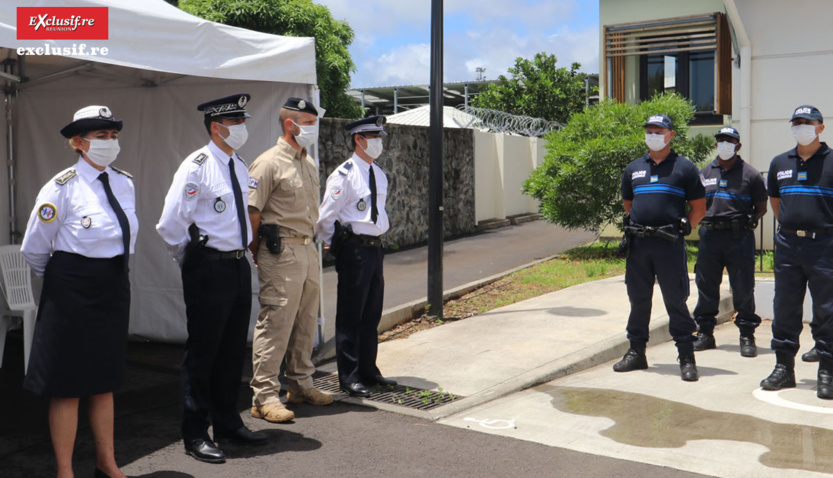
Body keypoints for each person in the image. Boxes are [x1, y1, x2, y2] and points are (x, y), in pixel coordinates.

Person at [21, 105, 136, 478]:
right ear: (78, 142)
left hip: (112, 285)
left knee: (105, 380)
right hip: (70, 288)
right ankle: (66, 471)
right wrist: (64, 282)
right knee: (67, 385)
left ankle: (107, 462)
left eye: (113, 136)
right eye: (101, 136)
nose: (109, 143)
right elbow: (35, 249)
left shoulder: (124, 182)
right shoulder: (62, 186)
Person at [157, 94, 267, 464]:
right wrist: (189, 259)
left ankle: (227, 423)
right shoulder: (197, 166)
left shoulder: (237, 164)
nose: (241, 129)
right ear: (216, 127)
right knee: (203, 353)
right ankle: (194, 432)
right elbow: (171, 224)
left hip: (236, 266)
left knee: (233, 350)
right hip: (208, 268)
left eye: (242, 122)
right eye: (235, 123)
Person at [248, 97, 333, 424]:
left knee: (305, 320)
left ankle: (299, 384)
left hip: (306, 248)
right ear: (290, 124)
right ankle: (264, 396)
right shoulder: (268, 163)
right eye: (309, 122)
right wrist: (258, 252)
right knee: (276, 322)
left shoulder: (307, 162)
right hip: (280, 249)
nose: (313, 128)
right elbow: (253, 213)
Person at [615, 114, 706, 382]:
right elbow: (629, 206)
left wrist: (683, 227)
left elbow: (699, 208)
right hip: (639, 245)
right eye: (649, 130)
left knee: (676, 301)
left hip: (668, 244)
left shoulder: (685, 168)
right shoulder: (633, 169)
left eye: (658, 130)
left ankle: (687, 357)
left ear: (670, 135)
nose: (652, 134)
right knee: (638, 300)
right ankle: (636, 352)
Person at [316, 116, 397, 397]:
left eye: (380, 138)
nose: (378, 143)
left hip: (375, 249)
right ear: (358, 140)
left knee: (371, 314)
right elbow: (325, 217)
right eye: (373, 138)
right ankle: (349, 376)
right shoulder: (344, 175)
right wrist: (338, 247)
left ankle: (368, 370)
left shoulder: (380, 174)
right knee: (350, 316)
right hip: (355, 250)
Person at [761, 105, 833, 400]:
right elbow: (777, 205)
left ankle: (827, 369)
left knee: (828, 308)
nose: (801, 127)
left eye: (807, 122)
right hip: (789, 245)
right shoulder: (780, 163)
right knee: (785, 307)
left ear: (820, 127)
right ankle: (784, 367)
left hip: (825, 245)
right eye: (797, 122)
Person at [692, 127, 767, 357]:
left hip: (738, 237)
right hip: (710, 237)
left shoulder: (751, 174)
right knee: (706, 286)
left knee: (743, 287)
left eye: (730, 140)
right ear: (716, 145)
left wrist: (748, 221)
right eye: (721, 140)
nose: (724, 144)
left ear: (738, 145)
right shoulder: (704, 173)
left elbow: (762, 207)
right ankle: (705, 333)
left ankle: (746, 335)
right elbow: (697, 203)